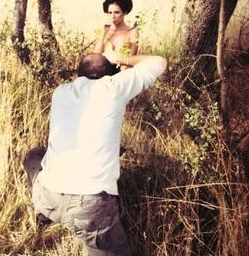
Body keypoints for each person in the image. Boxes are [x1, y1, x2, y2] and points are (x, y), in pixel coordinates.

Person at [23, 51, 167, 255]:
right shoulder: (114, 87)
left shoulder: (60, 91)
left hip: (47, 195)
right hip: (89, 209)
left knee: (34, 156)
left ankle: (44, 214)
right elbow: (160, 61)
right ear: (111, 74)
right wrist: (121, 59)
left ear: (78, 73)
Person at [94, 0, 139, 73]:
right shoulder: (105, 30)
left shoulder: (132, 32)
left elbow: (131, 59)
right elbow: (95, 57)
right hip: (102, 72)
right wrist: (103, 33)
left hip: (123, 71)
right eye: (110, 12)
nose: (113, 16)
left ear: (125, 12)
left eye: (117, 12)